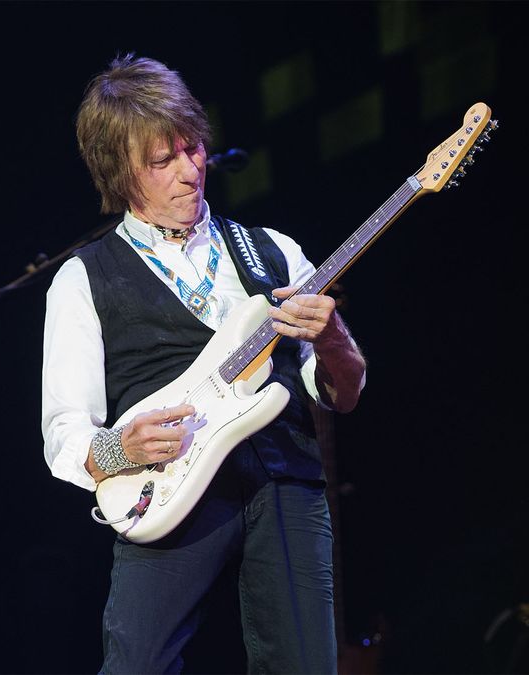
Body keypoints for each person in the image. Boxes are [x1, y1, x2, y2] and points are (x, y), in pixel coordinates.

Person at [41, 53, 367, 673]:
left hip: (282, 483)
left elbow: (342, 393)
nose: (189, 173)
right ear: (121, 173)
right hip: (165, 491)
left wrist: (333, 338)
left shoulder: (274, 252)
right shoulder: (83, 279)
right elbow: (64, 433)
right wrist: (119, 450)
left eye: (192, 150)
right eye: (162, 162)